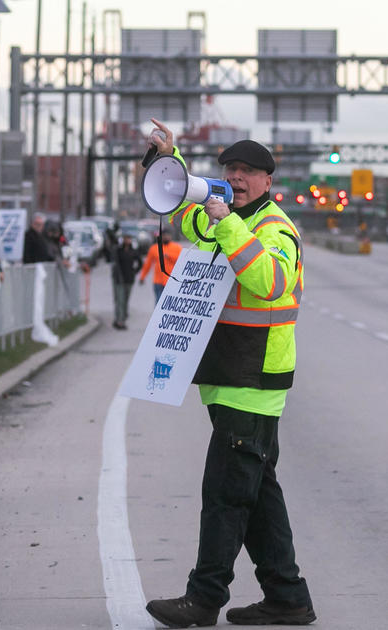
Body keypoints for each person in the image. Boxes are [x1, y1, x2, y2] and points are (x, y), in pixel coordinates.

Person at [143, 122, 313, 628]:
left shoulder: (274, 229)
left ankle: (203, 600)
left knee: (225, 494)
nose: (236, 178)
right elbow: (176, 205)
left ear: (266, 181)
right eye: (230, 170)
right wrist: (165, 158)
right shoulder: (225, 218)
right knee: (257, 495)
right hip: (229, 376)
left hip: (255, 379)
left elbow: (271, 281)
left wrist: (228, 224)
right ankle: (287, 598)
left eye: (247, 172)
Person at [107, 226, 142, 329]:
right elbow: (111, 253)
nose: (127, 240)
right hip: (119, 279)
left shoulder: (133, 250)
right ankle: (119, 321)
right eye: (126, 238)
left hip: (129, 279)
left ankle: (122, 317)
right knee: (119, 300)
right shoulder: (118, 250)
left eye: (129, 238)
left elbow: (140, 263)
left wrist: (134, 272)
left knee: (125, 300)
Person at [138, 227, 183, 304]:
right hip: (158, 281)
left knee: (169, 304)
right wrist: (142, 277)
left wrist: (169, 256)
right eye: (164, 235)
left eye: (167, 235)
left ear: (171, 236)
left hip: (171, 281)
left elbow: (182, 261)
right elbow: (147, 264)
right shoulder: (154, 248)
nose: (166, 237)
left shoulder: (177, 248)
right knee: (158, 303)